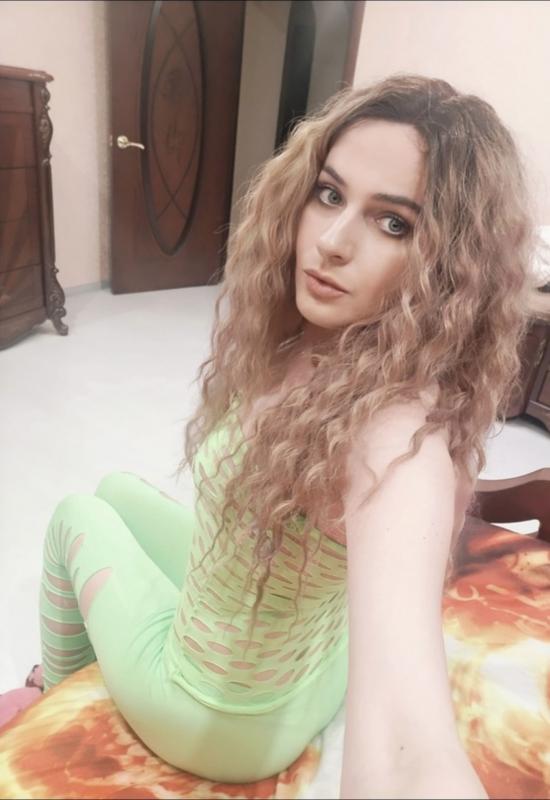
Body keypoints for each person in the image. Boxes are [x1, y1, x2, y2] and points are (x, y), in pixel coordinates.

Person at [37, 74, 539, 798]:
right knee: (116, 488)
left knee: (75, 516)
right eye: (329, 194)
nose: (330, 243)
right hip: (307, 677)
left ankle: (58, 701)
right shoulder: (317, 344)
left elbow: (409, 747)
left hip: (218, 722)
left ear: (450, 268)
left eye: (394, 224)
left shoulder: (397, 436)